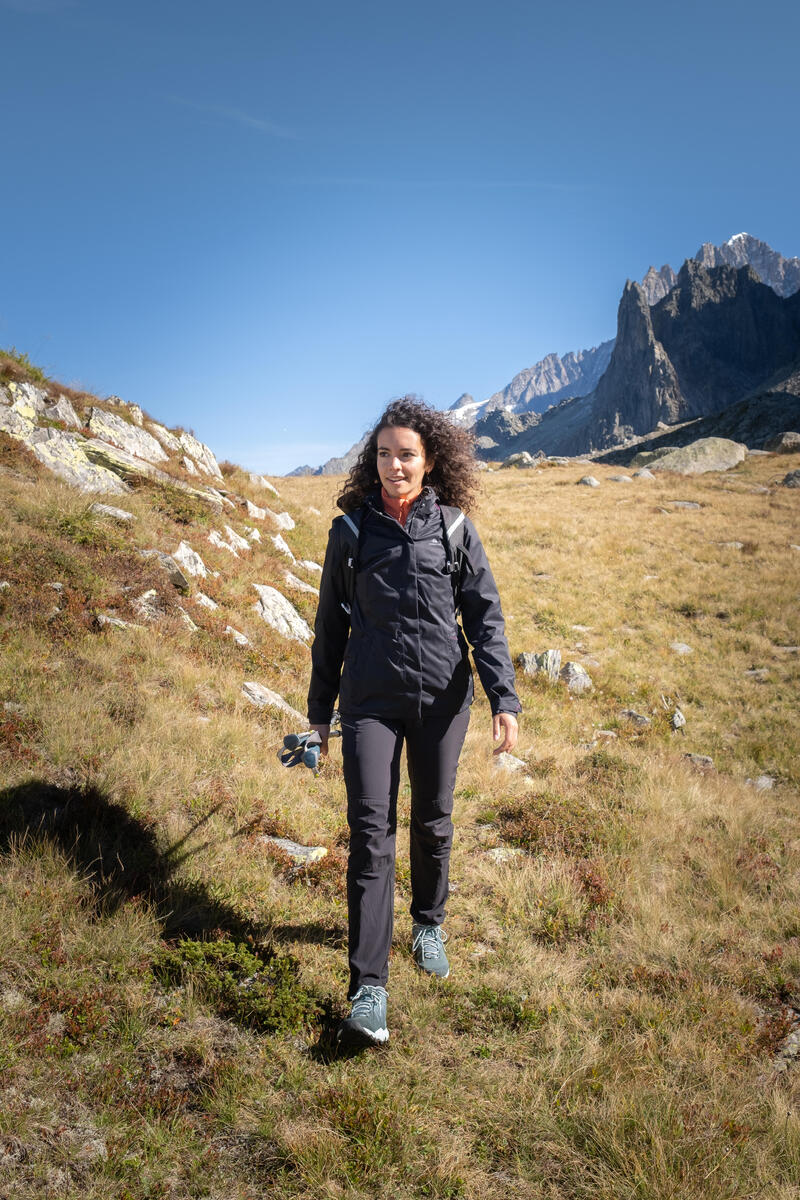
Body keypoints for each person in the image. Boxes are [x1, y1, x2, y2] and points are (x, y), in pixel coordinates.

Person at [307, 397, 521, 1048]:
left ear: (430, 463)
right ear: (371, 461)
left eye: (406, 455)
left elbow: (485, 619)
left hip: (442, 701)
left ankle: (428, 922)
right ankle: (369, 988)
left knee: (432, 820)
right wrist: (319, 715)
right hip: (369, 703)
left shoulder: (455, 531)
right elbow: (329, 630)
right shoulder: (350, 534)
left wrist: (503, 700)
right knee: (371, 834)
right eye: (383, 454)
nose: (393, 465)